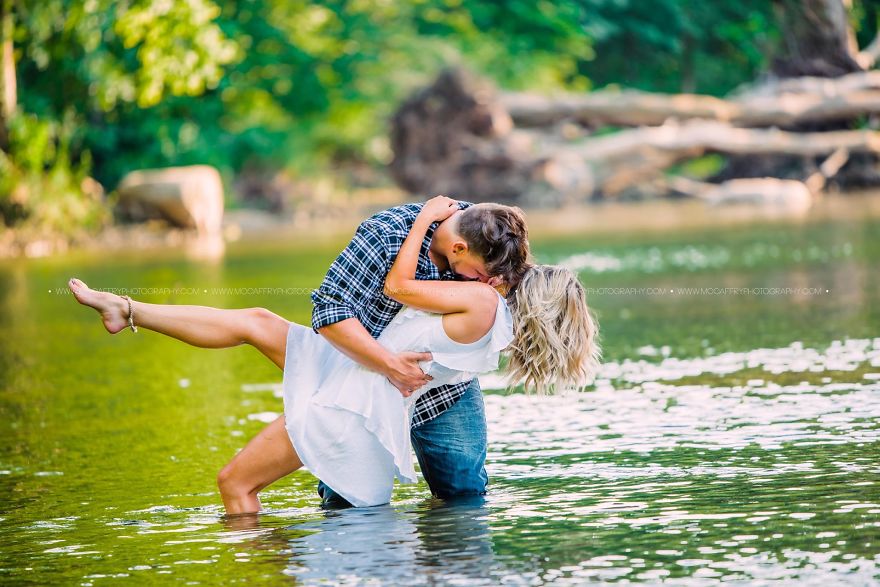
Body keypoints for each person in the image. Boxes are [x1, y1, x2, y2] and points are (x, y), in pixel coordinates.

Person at [69, 197, 600, 511]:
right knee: (257, 323)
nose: (487, 280)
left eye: (500, 276)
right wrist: (386, 361)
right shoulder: (402, 242)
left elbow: (408, 288)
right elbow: (330, 310)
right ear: (459, 247)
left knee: (461, 499)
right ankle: (128, 309)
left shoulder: (486, 274)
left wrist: (429, 226)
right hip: (360, 377)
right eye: (483, 272)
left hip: (411, 391)